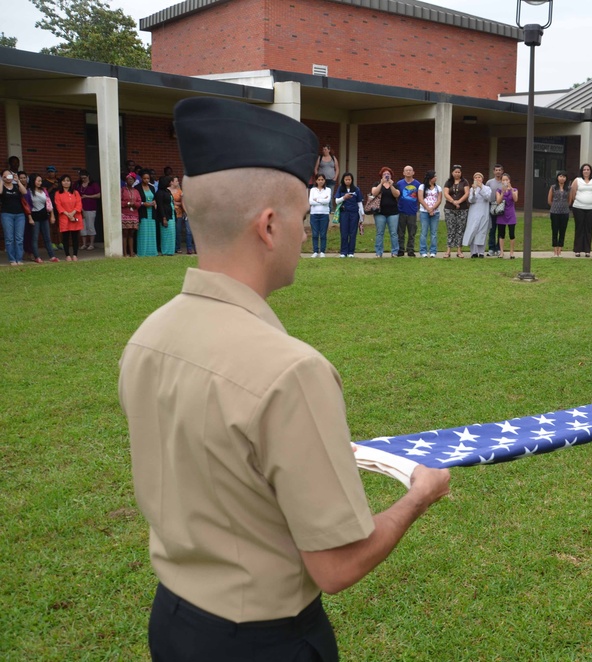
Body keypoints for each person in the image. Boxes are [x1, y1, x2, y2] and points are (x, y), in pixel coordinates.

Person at [119, 97, 450, 661]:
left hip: (172, 621)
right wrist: (419, 496)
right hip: (262, 641)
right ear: (269, 226)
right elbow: (338, 565)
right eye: (299, 219)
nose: (303, 234)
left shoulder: (148, 335)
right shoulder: (292, 371)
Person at [25, 173, 58, 263]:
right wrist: (30, 218)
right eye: (38, 181)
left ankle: (52, 256)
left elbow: (49, 203)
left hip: (44, 216)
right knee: (35, 238)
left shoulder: (44, 190)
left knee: (47, 237)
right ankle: (37, 257)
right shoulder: (28, 192)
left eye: (40, 181)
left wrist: (52, 215)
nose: (40, 182)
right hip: (35, 216)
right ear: (33, 181)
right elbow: (27, 206)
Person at [569, 163, 592, 257]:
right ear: (581, 171)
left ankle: (587, 250)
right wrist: (580, 200)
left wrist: (591, 200)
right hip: (578, 208)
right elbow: (573, 193)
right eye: (584, 170)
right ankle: (577, 250)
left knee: (588, 229)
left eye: (588, 169)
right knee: (579, 228)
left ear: (591, 171)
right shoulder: (577, 180)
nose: (586, 171)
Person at [371, 166, 400, 258]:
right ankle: (379, 252)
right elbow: (374, 193)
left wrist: (390, 185)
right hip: (380, 213)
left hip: (393, 213)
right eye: (384, 174)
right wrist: (381, 183)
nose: (386, 175)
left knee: (393, 233)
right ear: (381, 175)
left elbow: (397, 194)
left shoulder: (395, 185)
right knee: (380, 233)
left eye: (388, 174)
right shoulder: (376, 183)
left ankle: (394, 252)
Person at [2, 169, 28, 266]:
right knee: (9, 238)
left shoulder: (16, 186)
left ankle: (19, 259)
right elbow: (0, 192)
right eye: (5, 176)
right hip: (6, 214)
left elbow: (25, 192)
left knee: (19, 238)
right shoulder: (2, 187)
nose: (8, 177)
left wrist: (17, 181)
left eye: (9, 175)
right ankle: (12, 259)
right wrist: (1, 181)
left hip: (20, 214)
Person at [54, 174, 83, 262]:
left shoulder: (75, 192)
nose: (66, 183)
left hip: (75, 216)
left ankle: (75, 254)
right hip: (64, 217)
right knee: (65, 237)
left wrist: (73, 213)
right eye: (64, 181)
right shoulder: (58, 193)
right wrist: (68, 214)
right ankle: (67, 255)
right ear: (61, 182)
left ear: (70, 182)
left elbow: (79, 204)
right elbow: (58, 205)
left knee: (75, 237)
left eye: (68, 181)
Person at [442, 165, 469, 258]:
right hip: (449, 208)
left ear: (461, 173)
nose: (457, 174)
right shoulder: (448, 182)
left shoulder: (464, 182)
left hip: (462, 209)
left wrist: (459, 202)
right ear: (452, 173)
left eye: (459, 172)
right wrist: (453, 202)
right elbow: (445, 193)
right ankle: (448, 250)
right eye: (455, 172)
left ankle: (459, 250)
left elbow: (467, 193)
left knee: (460, 229)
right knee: (451, 229)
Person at [463, 171, 492, 258]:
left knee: (481, 232)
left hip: (483, 212)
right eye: (475, 177)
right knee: (473, 231)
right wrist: (474, 191)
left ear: (482, 179)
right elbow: (471, 200)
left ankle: (481, 252)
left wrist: (481, 188)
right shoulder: (472, 189)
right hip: (474, 213)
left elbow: (487, 197)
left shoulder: (487, 188)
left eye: (479, 177)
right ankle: (474, 252)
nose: (477, 179)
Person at [336, 172, 362, 258]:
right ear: (343, 180)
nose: (348, 181)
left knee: (353, 232)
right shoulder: (340, 189)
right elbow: (336, 201)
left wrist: (362, 214)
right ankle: (343, 252)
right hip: (344, 212)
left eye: (349, 179)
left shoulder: (356, 189)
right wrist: (344, 197)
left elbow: (359, 202)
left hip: (354, 213)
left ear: (352, 180)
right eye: (346, 179)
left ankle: (351, 252)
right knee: (344, 232)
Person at [417, 171, 442, 258]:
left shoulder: (438, 188)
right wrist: (428, 209)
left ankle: (433, 251)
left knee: (433, 233)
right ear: (430, 178)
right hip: (424, 212)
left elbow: (439, 200)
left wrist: (432, 209)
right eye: (434, 176)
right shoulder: (422, 186)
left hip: (435, 212)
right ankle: (423, 251)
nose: (436, 178)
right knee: (424, 232)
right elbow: (420, 199)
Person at [396, 165, 419, 257]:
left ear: (413, 172)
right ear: (403, 173)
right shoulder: (399, 184)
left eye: (410, 170)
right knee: (400, 232)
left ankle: (410, 250)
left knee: (412, 232)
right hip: (401, 211)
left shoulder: (417, 184)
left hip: (412, 211)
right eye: (406, 170)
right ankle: (400, 250)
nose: (408, 172)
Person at [75, 170, 101, 251]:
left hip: (91, 208)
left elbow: (98, 195)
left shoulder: (93, 184)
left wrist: (87, 196)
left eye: (85, 178)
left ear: (88, 176)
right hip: (80, 208)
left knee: (90, 225)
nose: (83, 179)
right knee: (82, 226)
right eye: (82, 178)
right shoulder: (78, 184)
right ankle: (84, 244)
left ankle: (91, 244)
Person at [547, 171, 571, 256]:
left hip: (565, 212)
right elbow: (549, 200)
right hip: (554, 212)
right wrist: (555, 205)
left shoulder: (568, 188)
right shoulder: (553, 187)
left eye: (564, 176)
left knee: (562, 230)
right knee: (555, 230)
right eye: (560, 176)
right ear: (557, 177)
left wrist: (564, 206)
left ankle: (560, 249)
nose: (562, 178)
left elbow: (569, 200)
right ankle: (555, 249)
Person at [495, 173, 518, 259]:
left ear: (509, 180)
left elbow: (515, 199)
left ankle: (512, 252)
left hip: (511, 214)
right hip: (502, 214)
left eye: (506, 180)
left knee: (512, 234)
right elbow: (498, 201)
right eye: (503, 180)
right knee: (501, 234)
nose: (505, 181)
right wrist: (503, 192)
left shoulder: (515, 189)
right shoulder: (499, 190)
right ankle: (501, 252)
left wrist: (511, 189)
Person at [308, 173, 332, 257]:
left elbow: (327, 201)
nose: (320, 181)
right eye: (319, 179)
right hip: (314, 214)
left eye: (322, 179)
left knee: (323, 233)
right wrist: (322, 200)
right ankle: (315, 251)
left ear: (324, 180)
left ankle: (322, 251)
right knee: (315, 233)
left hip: (324, 214)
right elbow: (311, 202)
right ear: (316, 181)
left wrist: (317, 200)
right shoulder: (313, 190)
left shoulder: (328, 189)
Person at [136, 171, 158, 257]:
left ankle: (151, 252)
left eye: (148, 178)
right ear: (141, 178)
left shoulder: (152, 188)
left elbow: (154, 198)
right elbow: (136, 200)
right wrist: (143, 203)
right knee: (143, 232)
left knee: (151, 232)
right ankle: (143, 252)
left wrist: (154, 202)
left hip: (151, 212)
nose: (146, 180)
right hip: (143, 212)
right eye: (144, 178)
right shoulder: (137, 188)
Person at [155, 175, 178, 256]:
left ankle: (171, 251)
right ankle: (165, 251)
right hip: (165, 216)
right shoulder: (159, 193)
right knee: (165, 234)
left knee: (171, 234)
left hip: (171, 214)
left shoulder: (167, 191)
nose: (171, 183)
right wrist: (164, 218)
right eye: (170, 181)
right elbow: (160, 206)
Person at [485, 163, 504, 256]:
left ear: (502, 171)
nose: (498, 172)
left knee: (501, 228)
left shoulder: (504, 182)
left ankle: (499, 248)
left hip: (501, 207)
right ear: (493, 171)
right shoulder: (489, 182)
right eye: (496, 170)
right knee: (492, 228)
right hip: (491, 206)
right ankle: (491, 248)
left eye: (499, 170)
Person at [172, 175, 194, 255]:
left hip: (194, 214)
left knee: (195, 232)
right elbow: (183, 203)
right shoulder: (183, 192)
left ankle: (197, 249)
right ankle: (189, 248)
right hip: (186, 214)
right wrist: (187, 212)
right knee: (188, 232)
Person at [120, 172, 141, 257]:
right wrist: (128, 203)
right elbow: (119, 201)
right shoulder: (122, 190)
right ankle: (125, 253)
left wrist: (134, 204)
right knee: (125, 233)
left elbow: (139, 202)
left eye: (132, 180)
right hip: (125, 214)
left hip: (134, 214)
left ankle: (131, 252)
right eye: (129, 179)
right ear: (126, 180)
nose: (130, 181)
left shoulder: (136, 191)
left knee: (131, 234)